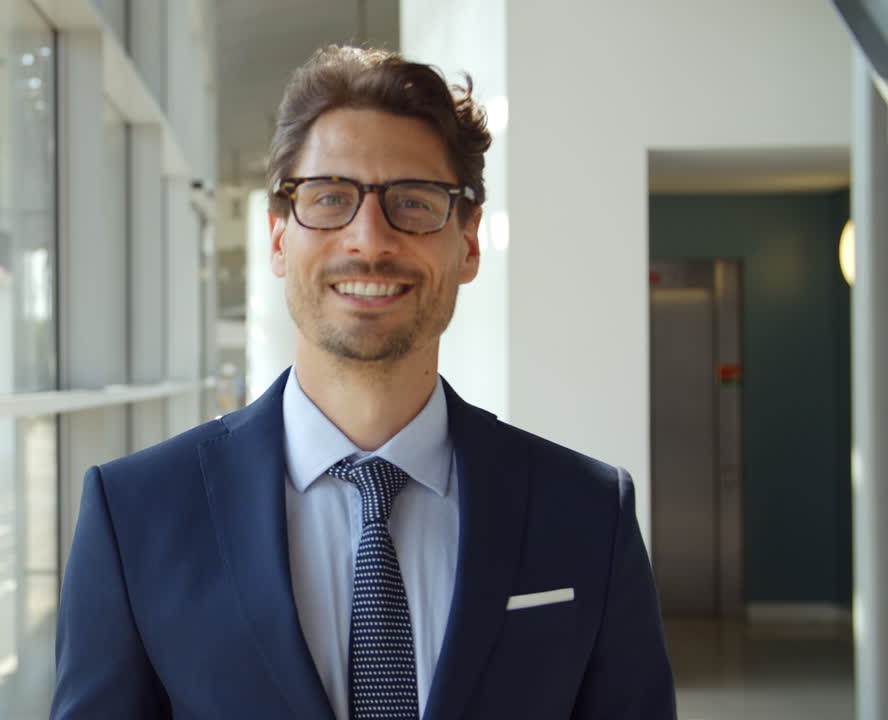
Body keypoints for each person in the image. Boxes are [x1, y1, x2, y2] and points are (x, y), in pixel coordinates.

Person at [51, 45, 675, 720]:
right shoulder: (135, 516)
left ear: (468, 243)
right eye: (329, 199)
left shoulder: (589, 512)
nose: (370, 240)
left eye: (414, 201)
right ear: (278, 238)